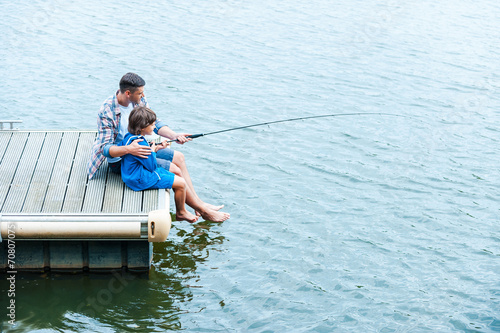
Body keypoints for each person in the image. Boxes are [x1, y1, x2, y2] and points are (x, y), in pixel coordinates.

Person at [87, 72, 229, 222]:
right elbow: (105, 148)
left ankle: (199, 204)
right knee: (175, 170)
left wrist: (174, 136)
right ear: (128, 93)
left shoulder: (138, 100)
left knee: (179, 157)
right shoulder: (107, 111)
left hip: (141, 149)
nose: (143, 96)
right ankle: (202, 211)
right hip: (122, 160)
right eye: (140, 93)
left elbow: (154, 123)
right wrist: (129, 149)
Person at [120, 106, 198, 223]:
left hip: (131, 175)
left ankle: (190, 207)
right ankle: (181, 212)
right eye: (152, 125)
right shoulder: (141, 145)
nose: (154, 127)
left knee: (175, 174)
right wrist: (152, 151)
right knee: (181, 184)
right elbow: (152, 166)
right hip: (138, 179)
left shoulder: (130, 137)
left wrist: (154, 148)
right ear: (142, 127)